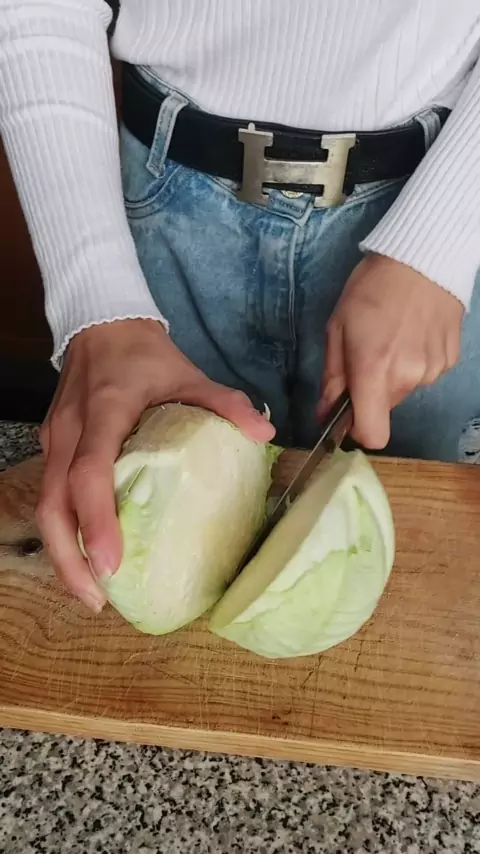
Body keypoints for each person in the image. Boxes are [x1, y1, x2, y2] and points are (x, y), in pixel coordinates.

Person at [1, 1, 479, 615]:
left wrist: (438, 242)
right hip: (163, 199)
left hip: (435, 193)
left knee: (424, 569)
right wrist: (98, 303)